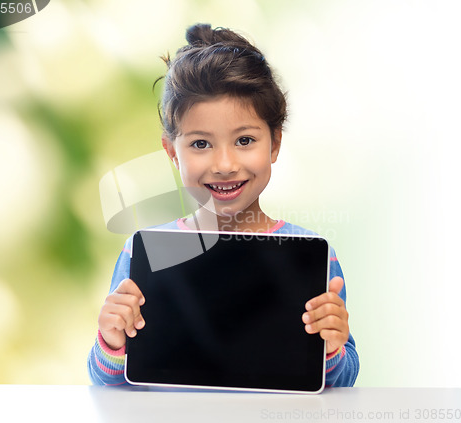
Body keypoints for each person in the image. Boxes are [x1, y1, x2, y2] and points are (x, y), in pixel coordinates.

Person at [88, 23, 359, 388]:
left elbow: (344, 379)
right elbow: (106, 381)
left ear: (275, 144)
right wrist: (112, 342)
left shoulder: (311, 256)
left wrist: (331, 348)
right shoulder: (145, 253)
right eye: (201, 144)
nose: (225, 164)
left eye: (245, 140)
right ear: (172, 152)